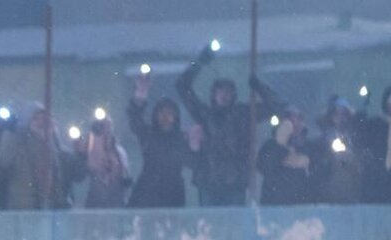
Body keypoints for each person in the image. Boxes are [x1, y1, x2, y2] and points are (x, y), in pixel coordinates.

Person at [177, 43, 283, 206]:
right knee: (210, 221)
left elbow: (275, 106)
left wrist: (259, 87)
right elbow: (182, 86)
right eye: (220, 91)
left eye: (229, 91)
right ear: (213, 94)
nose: (225, 95)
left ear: (234, 95)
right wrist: (201, 61)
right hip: (208, 182)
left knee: (233, 220)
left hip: (235, 183)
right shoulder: (204, 115)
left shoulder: (244, 114)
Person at [126, 75, 192, 208]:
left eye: (170, 113)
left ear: (176, 116)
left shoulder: (182, 138)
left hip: (173, 192)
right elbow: (134, 118)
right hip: (146, 192)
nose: (165, 116)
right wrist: (141, 93)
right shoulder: (148, 134)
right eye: (161, 112)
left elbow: (191, 162)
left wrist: (194, 146)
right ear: (155, 115)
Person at [257, 108, 316, 206]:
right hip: (274, 205)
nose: (295, 124)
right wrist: (281, 144)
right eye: (290, 120)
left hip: (302, 206)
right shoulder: (270, 146)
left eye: (299, 119)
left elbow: (316, 171)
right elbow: (264, 167)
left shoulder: (310, 146)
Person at [80, 111, 131, 208]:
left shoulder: (119, 152)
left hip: (115, 199)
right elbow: (88, 167)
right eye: (101, 125)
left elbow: (124, 174)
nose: (105, 129)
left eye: (107, 125)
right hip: (95, 200)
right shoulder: (89, 148)